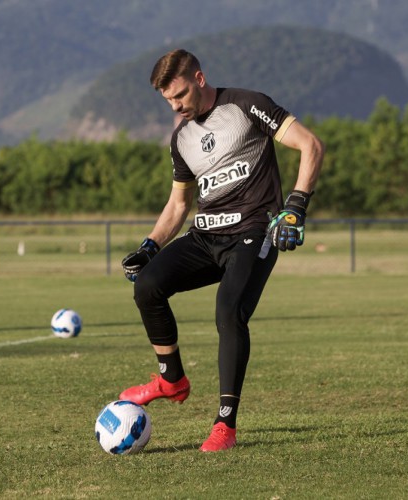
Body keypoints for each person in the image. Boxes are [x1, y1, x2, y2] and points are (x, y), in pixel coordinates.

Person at [119, 49, 324, 452]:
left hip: (253, 232)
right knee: (147, 286)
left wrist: (295, 207)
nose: (175, 107)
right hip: (205, 236)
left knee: (229, 312)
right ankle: (171, 380)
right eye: (167, 101)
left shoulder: (247, 105)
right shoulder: (181, 138)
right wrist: (150, 246)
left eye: (179, 96)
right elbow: (179, 204)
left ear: (199, 78)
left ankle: (225, 425)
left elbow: (310, 145)